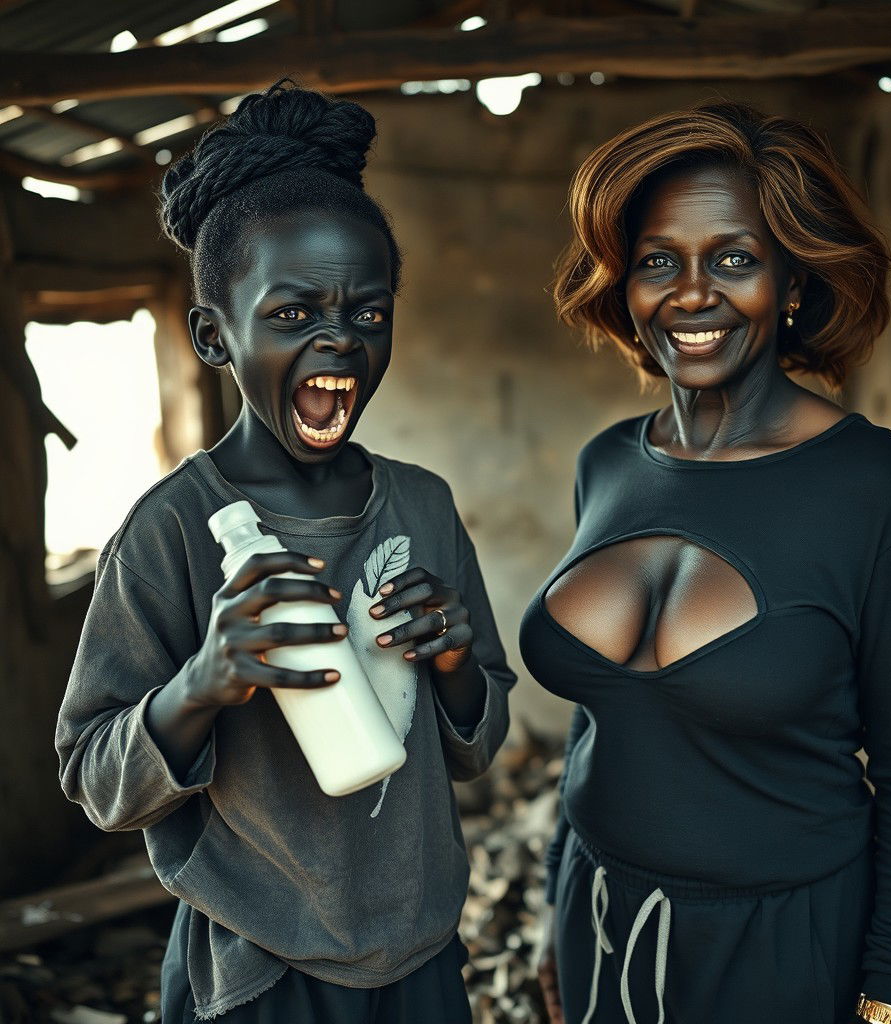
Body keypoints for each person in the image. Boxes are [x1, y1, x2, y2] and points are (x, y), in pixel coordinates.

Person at [55, 80, 515, 1023]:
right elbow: (95, 779)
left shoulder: (421, 505)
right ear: (214, 337)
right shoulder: (172, 532)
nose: (339, 341)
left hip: (420, 954)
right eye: (294, 315)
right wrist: (204, 682)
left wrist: (460, 666)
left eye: (368, 313)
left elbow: (479, 745)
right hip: (255, 971)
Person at [519, 103, 891, 1024]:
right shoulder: (606, 462)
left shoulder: (873, 486)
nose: (691, 293)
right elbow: (602, 722)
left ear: (791, 281)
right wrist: (557, 905)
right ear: (626, 283)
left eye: (733, 258)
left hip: (783, 951)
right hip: (598, 922)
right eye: (658, 261)